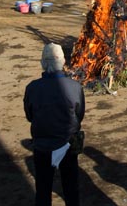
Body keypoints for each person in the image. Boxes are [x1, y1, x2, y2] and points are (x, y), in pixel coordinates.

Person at [24, 43, 85, 206]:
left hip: (42, 145)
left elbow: (29, 115)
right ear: (63, 62)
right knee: (71, 187)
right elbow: (80, 115)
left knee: (43, 189)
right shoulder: (75, 87)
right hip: (67, 144)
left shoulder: (32, 88)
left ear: (43, 63)